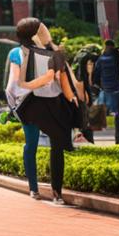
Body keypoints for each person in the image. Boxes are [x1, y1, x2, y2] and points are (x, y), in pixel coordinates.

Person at [10, 18, 79, 203]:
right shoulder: (27, 53)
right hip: (42, 103)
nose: (46, 32)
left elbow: (13, 85)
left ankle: (45, 190)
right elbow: (14, 82)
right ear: (35, 35)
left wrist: (72, 95)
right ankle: (45, 190)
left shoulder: (45, 52)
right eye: (43, 29)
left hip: (41, 103)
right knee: (44, 145)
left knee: (43, 144)